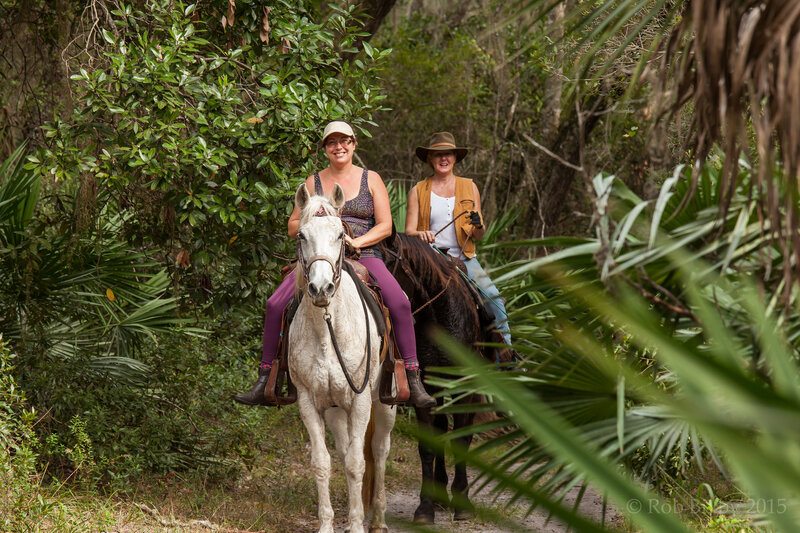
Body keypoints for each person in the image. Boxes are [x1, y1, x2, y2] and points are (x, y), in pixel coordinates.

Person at [235, 121, 436, 408]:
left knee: (400, 302)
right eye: (332, 142)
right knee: (274, 304)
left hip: (363, 254)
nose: (338, 146)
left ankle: (412, 380)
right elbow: (293, 226)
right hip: (319, 256)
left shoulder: (371, 179)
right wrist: (312, 218)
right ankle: (266, 378)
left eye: (344, 141)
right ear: (325, 149)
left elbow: (386, 225)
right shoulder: (312, 182)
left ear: (354, 144)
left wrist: (357, 242)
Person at [405, 131, 511, 348]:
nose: (443, 159)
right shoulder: (418, 190)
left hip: (466, 260)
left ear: (455, 158)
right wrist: (421, 234)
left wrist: (478, 224)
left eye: (448, 154)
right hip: (431, 261)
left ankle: (508, 357)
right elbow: (408, 232)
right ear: (430, 159)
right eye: (438, 155)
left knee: (494, 299)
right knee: (407, 305)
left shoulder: (470, 187)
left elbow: (479, 234)